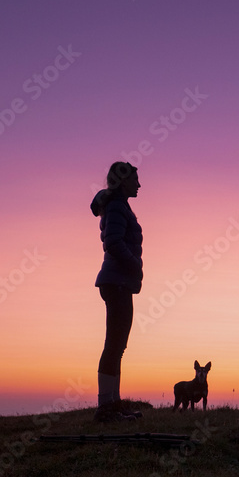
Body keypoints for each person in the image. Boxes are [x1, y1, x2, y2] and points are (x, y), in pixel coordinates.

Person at [90, 161, 144, 422]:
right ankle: (105, 408)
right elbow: (113, 242)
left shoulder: (120, 205)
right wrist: (134, 265)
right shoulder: (116, 206)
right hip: (117, 282)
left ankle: (114, 404)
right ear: (123, 182)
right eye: (135, 179)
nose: (139, 184)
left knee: (118, 346)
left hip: (119, 282)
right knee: (114, 345)